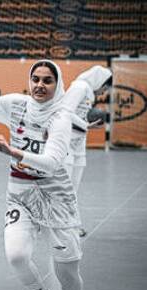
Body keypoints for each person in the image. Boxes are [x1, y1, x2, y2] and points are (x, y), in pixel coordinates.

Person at [0, 59, 87, 290]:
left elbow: (53, 163)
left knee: (66, 271)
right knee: (17, 256)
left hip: (55, 197)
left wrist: (12, 152)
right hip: (20, 193)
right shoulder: (17, 105)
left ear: (57, 85)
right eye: (36, 79)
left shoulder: (60, 118)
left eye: (47, 80)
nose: (40, 85)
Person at [62, 66, 113, 237]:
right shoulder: (79, 87)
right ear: (99, 81)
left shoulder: (89, 93)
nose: (104, 92)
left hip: (78, 144)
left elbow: (80, 116)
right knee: (65, 187)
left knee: (73, 188)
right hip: (66, 142)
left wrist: (85, 125)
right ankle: (66, 226)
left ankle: (70, 224)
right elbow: (64, 111)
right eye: (105, 87)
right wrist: (85, 124)